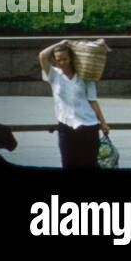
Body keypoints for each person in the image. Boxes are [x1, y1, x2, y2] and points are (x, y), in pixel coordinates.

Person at [38, 41, 109, 169]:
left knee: (89, 164)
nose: (62, 63)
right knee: (68, 163)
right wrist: (61, 43)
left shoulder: (85, 76)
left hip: (89, 125)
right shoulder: (53, 75)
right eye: (58, 60)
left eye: (65, 59)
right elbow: (42, 55)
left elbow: (93, 100)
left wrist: (103, 123)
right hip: (66, 126)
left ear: (71, 58)